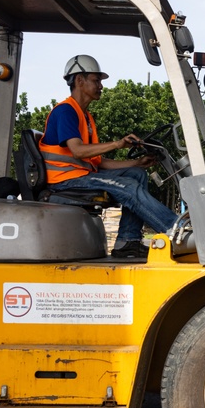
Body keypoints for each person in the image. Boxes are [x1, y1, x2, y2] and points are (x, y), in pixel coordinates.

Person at [40, 55, 179, 258]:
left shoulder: (85, 117)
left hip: (81, 176)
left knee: (136, 174)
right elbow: (78, 151)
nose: (101, 86)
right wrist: (118, 143)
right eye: (96, 80)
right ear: (79, 80)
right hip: (64, 181)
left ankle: (127, 242)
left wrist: (137, 162)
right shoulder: (66, 112)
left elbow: (98, 163)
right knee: (128, 187)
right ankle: (179, 232)